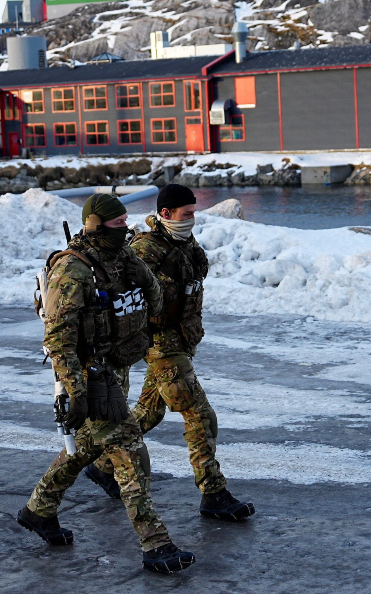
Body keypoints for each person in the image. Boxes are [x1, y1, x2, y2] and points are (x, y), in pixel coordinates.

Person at [16, 193, 195, 574]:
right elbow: (58, 340)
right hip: (89, 374)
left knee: (86, 445)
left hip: (118, 365)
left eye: (126, 222)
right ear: (96, 226)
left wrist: (143, 278)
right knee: (131, 450)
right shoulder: (72, 270)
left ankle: (39, 509)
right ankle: (155, 543)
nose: (125, 229)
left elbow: (156, 304)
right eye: (117, 224)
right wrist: (75, 391)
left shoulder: (123, 258)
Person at [84, 184, 255, 523]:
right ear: (165, 214)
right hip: (161, 346)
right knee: (200, 414)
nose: (192, 219)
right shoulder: (145, 249)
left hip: (180, 342)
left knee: (149, 413)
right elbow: (123, 293)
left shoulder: (184, 243)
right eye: (186, 214)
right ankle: (213, 492)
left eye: (194, 213)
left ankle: (102, 467)